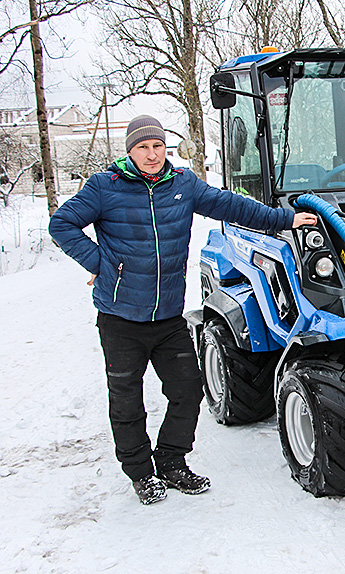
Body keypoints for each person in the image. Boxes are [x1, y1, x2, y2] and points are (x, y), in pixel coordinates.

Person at [49, 115, 317, 505]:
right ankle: (141, 473)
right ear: (130, 151)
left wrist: (284, 218)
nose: (152, 153)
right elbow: (62, 224)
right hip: (120, 318)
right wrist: (99, 264)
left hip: (167, 317)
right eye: (143, 147)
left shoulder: (183, 184)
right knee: (127, 401)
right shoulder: (104, 188)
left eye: (157, 146)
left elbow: (232, 206)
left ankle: (172, 462)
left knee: (188, 391)